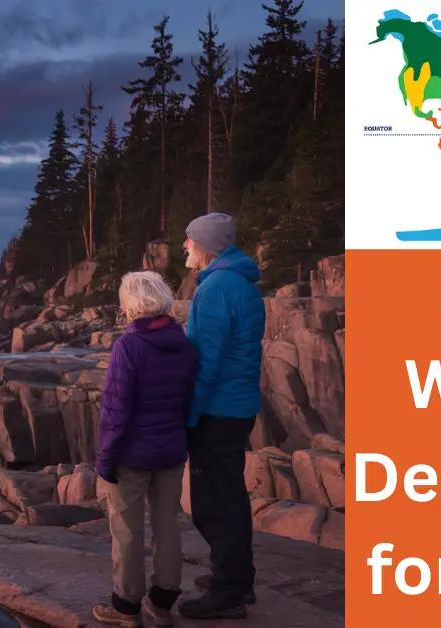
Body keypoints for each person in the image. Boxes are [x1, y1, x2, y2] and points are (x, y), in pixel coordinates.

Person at [93, 271, 199, 627]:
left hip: (132, 454)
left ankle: (126, 607)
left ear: (131, 304)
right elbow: (186, 398)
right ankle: (163, 601)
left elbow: (115, 410)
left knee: (127, 529)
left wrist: (105, 458)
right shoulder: (182, 342)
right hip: (170, 448)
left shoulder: (129, 346)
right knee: (168, 524)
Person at [177, 212, 265, 620]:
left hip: (217, 408)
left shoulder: (217, 290)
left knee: (214, 503)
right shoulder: (238, 283)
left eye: (189, 240)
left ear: (206, 246)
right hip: (236, 405)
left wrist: (188, 414)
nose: (184, 247)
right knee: (230, 496)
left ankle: (227, 591)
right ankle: (237, 580)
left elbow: (204, 360)